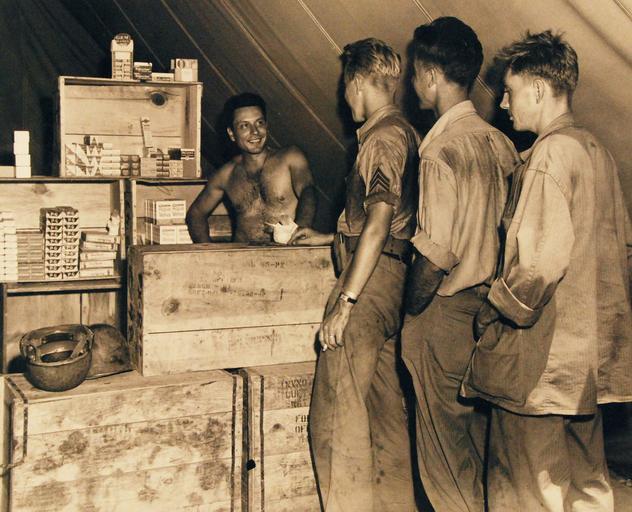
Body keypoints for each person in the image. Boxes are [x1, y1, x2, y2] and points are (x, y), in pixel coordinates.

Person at [462, 30, 632, 512]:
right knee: (586, 487)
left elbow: (537, 267)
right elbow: (622, 250)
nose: (504, 104)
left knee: (525, 492)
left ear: (538, 89)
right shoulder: (596, 150)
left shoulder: (549, 155)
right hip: (585, 370)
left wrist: (491, 313)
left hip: (539, 367)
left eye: (510, 91)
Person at [289, 38, 418, 511]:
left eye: (346, 85)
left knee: (335, 419)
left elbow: (380, 221)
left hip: (367, 288)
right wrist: (329, 237)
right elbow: (385, 224)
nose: (345, 98)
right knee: (384, 416)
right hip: (393, 283)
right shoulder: (406, 132)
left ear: (359, 82)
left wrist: (346, 302)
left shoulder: (381, 138)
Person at [400, 17, 519, 512]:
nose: (412, 83)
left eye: (414, 73)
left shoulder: (439, 150)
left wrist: (411, 311)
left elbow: (435, 255)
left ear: (431, 76)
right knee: (482, 450)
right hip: (490, 315)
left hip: (445, 315)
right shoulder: (501, 143)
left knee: (444, 455)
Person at [186, 92, 317, 243]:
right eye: (244, 126)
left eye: (259, 123)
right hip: (244, 255)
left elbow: (308, 191)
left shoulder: (290, 157)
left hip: (286, 252)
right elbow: (196, 214)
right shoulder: (226, 175)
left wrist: (300, 230)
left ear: (266, 126)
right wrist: (208, 251)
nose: (255, 132)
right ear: (232, 134)